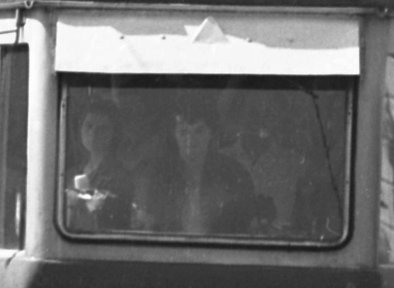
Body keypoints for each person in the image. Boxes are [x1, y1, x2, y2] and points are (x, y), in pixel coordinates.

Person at [133, 97, 257, 236]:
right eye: (183, 132)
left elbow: (243, 228)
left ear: (211, 133)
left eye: (199, 131)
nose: (190, 141)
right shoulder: (156, 174)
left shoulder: (234, 174)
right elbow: (147, 226)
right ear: (174, 134)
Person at [65, 97, 132, 231]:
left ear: (114, 133)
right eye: (89, 126)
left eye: (103, 128)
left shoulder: (121, 177)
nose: (94, 133)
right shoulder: (71, 173)